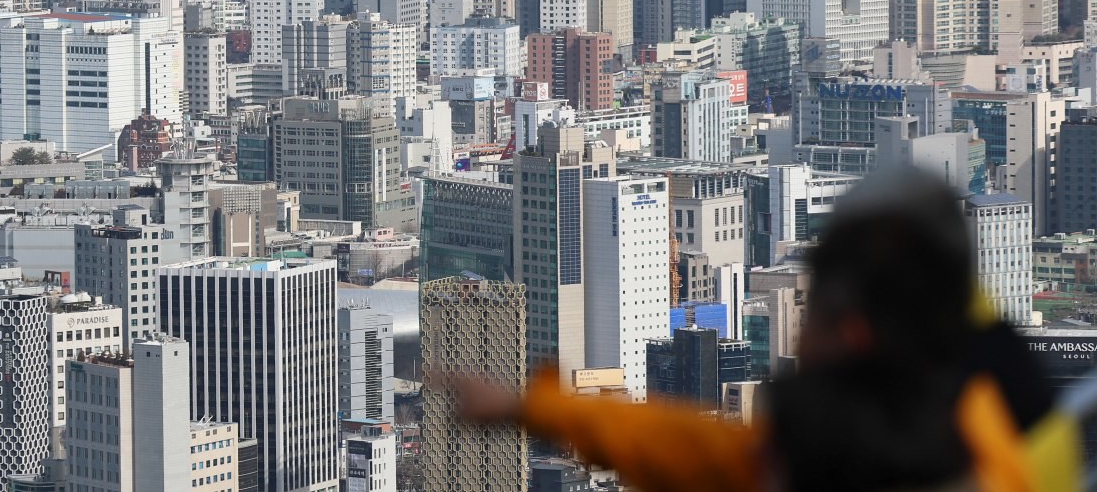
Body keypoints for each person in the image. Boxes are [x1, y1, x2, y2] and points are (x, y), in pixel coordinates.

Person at [451, 170, 1081, 491]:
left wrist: (528, 407)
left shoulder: (815, 455)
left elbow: (684, 452)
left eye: (816, 313)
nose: (802, 334)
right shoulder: (995, 435)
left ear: (854, 333)